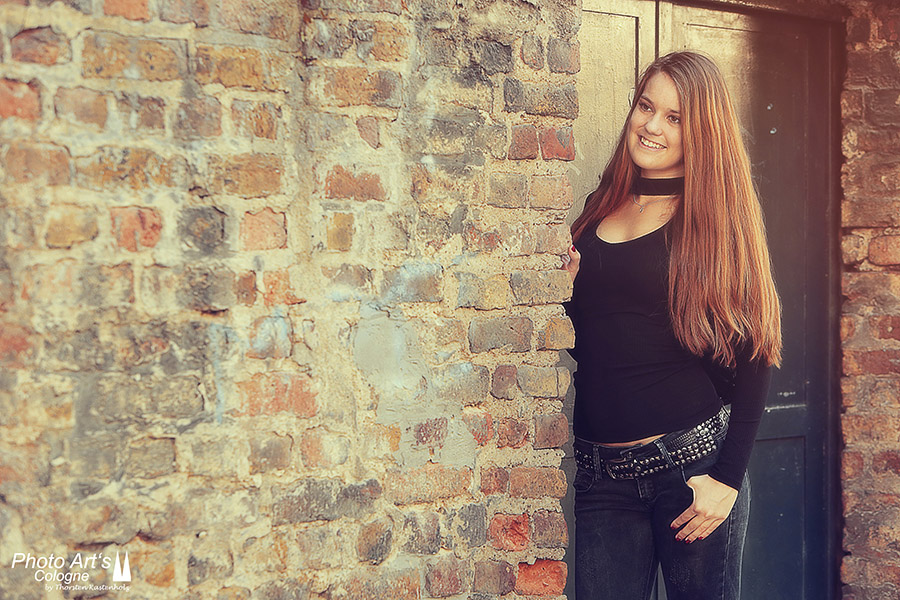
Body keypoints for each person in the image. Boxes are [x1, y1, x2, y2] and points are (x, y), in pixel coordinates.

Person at [560, 50, 782, 600]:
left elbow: (757, 352)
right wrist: (566, 294)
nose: (652, 125)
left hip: (690, 469)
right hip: (601, 476)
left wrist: (727, 480)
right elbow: (600, 341)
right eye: (646, 106)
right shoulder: (600, 206)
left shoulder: (713, 220)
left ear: (700, 131)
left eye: (674, 117)